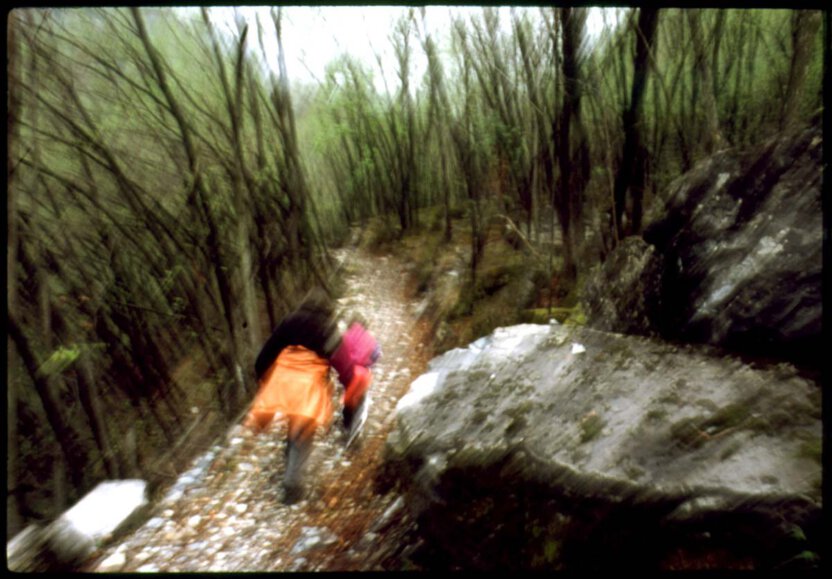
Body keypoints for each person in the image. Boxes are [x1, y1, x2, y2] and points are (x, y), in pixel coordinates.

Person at [245, 287, 340, 504]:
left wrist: (262, 378)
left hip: (284, 381)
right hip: (309, 385)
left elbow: (266, 353)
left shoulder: (290, 321)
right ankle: (292, 485)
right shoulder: (328, 326)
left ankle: (289, 462)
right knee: (304, 431)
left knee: (292, 420)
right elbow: (334, 354)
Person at [329, 314, 381, 447]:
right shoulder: (370, 338)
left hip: (349, 374)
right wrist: (369, 363)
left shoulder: (345, 336)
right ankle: (356, 431)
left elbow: (336, 356)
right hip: (364, 373)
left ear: (350, 324)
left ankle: (346, 427)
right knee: (360, 401)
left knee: (349, 400)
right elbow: (376, 354)